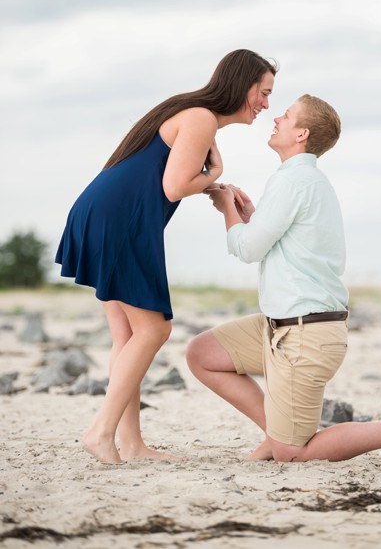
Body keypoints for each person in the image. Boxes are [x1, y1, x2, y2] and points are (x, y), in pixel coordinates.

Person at [185, 94, 381, 468]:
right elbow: (282, 241)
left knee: (293, 453)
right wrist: (250, 214)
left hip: (305, 335)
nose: (275, 118)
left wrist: (226, 212)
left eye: (285, 116)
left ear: (301, 133)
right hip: (280, 327)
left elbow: (249, 249)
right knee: (203, 354)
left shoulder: (295, 182)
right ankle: (277, 432)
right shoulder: (302, 180)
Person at [55, 49, 277, 464]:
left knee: (128, 335)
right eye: (263, 93)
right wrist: (216, 174)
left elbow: (166, 179)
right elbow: (174, 186)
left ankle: (133, 445)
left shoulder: (196, 116)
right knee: (154, 330)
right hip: (122, 221)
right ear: (241, 84)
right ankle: (100, 432)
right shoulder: (200, 118)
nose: (266, 104)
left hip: (105, 213)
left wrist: (212, 184)